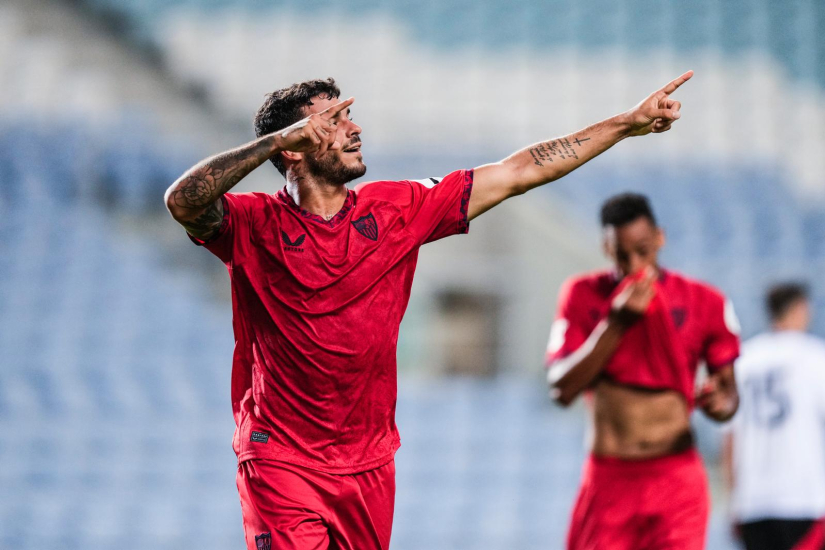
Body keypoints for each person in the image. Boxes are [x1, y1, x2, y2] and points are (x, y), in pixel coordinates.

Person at [164, 71, 693, 550]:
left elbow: (517, 172)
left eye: (350, 116)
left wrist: (626, 124)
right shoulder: (252, 223)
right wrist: (275, 141)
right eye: (334, 120)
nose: (354, 128)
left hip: (369, 463)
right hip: (282, 456)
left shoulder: (397, 208)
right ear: (297, 148)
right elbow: (183, 202)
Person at [545, 192, 741, 550]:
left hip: (676, 479)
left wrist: (717, 404)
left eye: (643, 250)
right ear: (606, 248)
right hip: (609, 480)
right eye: (622, 255)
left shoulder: (705, 301)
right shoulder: (582, 295)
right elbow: (561, 390)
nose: (635, 266)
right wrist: (615, 324)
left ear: (660, 239)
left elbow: (730, 396)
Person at [722, 283, 825, 550]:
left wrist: (735, 500)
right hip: (804, 498)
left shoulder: (743, 360)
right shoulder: (815, 358)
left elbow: (731, 440)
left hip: (753, 502)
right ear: (800, 309)